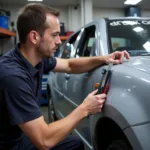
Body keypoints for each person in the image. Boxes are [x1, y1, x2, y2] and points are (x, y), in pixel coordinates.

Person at [0, 3, 130, 150]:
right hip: (9, 145)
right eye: (54, 35)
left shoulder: (37, 59)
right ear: (34, 37)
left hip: (21, 135)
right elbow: (44, 140)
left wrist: (105, 58)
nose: (59, 41)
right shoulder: (12, 76)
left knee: (74, 144)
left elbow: (70, 65)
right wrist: (85, 108)